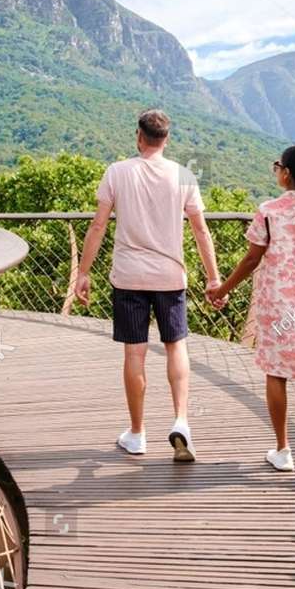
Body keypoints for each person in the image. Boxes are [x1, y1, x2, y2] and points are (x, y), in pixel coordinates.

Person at [74, 109, 223, 462]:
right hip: (170, 277)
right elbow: (201, 229)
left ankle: (138, 433)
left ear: (139, 136)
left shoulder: (117, 172)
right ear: (166, 139)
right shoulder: (183, 175)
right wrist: (214, 277)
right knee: (176, 346)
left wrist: (82, 272)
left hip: (128, 276)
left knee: (135, 352)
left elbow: (98, 226)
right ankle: (182, 420)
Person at [206, 146, 295, 481]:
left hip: (275, 305)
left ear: (286, 173)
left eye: (277, 166)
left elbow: (252, 259)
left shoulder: (268, 210)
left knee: (276, 373)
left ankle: (282, 450)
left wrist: (222, 290)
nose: (276, 171)